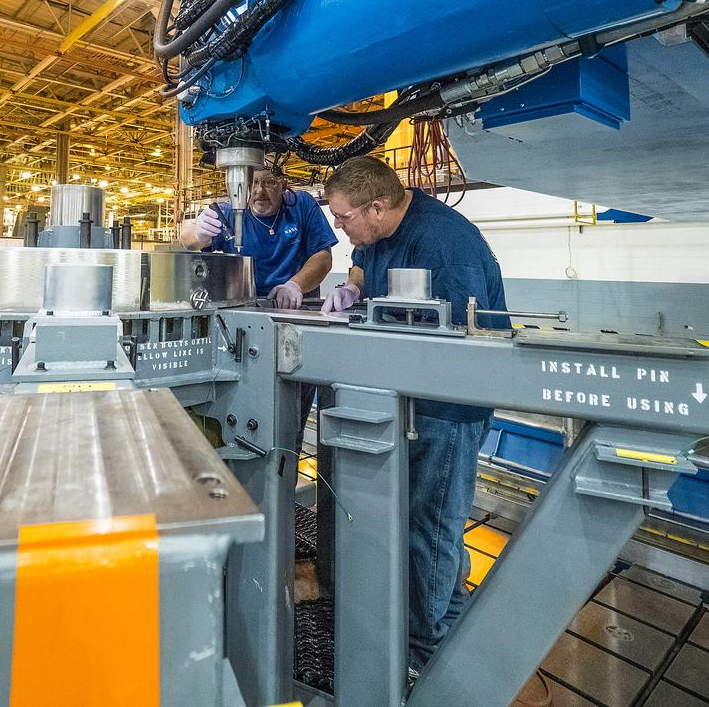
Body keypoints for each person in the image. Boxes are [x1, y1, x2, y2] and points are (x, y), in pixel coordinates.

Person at [321, 154, 508, 674]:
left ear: (376, 207)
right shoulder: (384, 234)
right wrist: (354, 286)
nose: (341, 229)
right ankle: (450, 618)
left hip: (445, 408)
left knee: (432, 524)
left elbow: (458, 346)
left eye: (345, 219)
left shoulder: (446, 245)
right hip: (407, 400)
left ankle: (424, 657)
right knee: (426, 522)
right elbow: (365, 265)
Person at [179, 162, 336, 309]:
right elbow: (186, 240)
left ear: (283, 185)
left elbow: (323, 257)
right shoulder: (231, 212)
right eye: (252, 183)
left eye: (269, 182)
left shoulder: (301, 205)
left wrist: (295, 285)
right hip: (246, 305)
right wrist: (199, 234)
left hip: (296, 304)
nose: (259, 190)